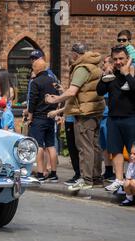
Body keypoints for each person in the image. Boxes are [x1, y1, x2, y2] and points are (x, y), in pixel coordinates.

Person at [46, 43, 105, 191]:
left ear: (75, 54)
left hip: (84, 113)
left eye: (70, 54)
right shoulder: (95, 66)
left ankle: (86, 179)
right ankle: (96, 178)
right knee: (95, 146)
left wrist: (54, 100)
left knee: (85, 148)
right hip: (95, 110)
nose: (69, 57)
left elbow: (72, 92)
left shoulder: (81, 68)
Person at [97, 45, 135, 193]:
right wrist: (104, 76)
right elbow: (100, 91)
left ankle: (134, 182)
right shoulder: (112, 74)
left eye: (121, 58)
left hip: (131, 118)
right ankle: (119, 180)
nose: (118, 62)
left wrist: (127, 75)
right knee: (115, 150)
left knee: (134, 151)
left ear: (127, 59)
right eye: (115, 59)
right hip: (113, 118)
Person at [28, 58, 60, 182]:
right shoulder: (53, 81)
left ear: (37, 68)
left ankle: (40, 174)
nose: (33, 69)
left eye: (33, 67)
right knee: (51, 145)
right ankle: (53, 174)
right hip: (50, 117)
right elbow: (57, 97)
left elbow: (33, 100)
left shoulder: (36, 82)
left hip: (39, 117)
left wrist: (30, 115)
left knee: (39, 145)